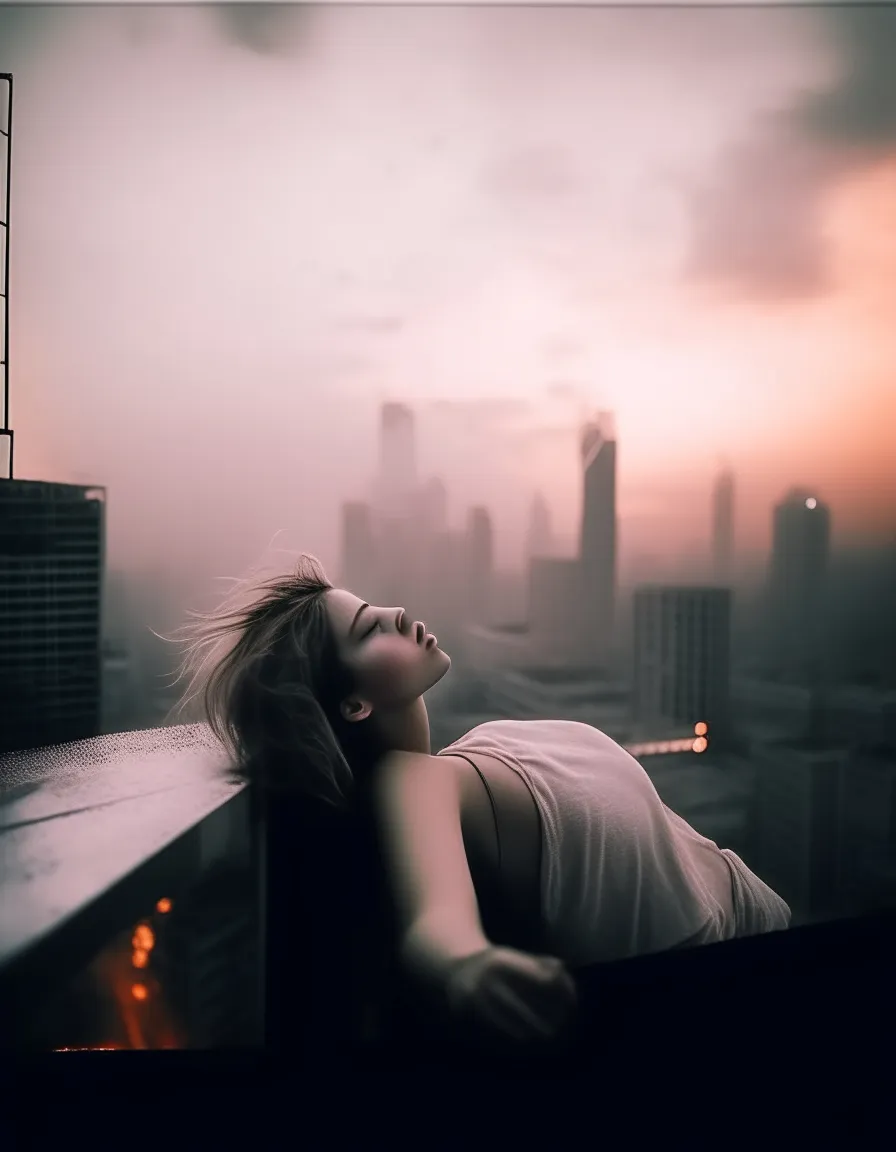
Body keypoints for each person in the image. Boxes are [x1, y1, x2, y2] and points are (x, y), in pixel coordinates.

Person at [174, 554, 790, 1050]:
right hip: (743, 985)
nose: (394, 612)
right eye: (367, 628)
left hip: (758, 915)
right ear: (355, 704)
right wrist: (464, 965)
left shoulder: (481, 745)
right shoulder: (410, 784)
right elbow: (435, 921)